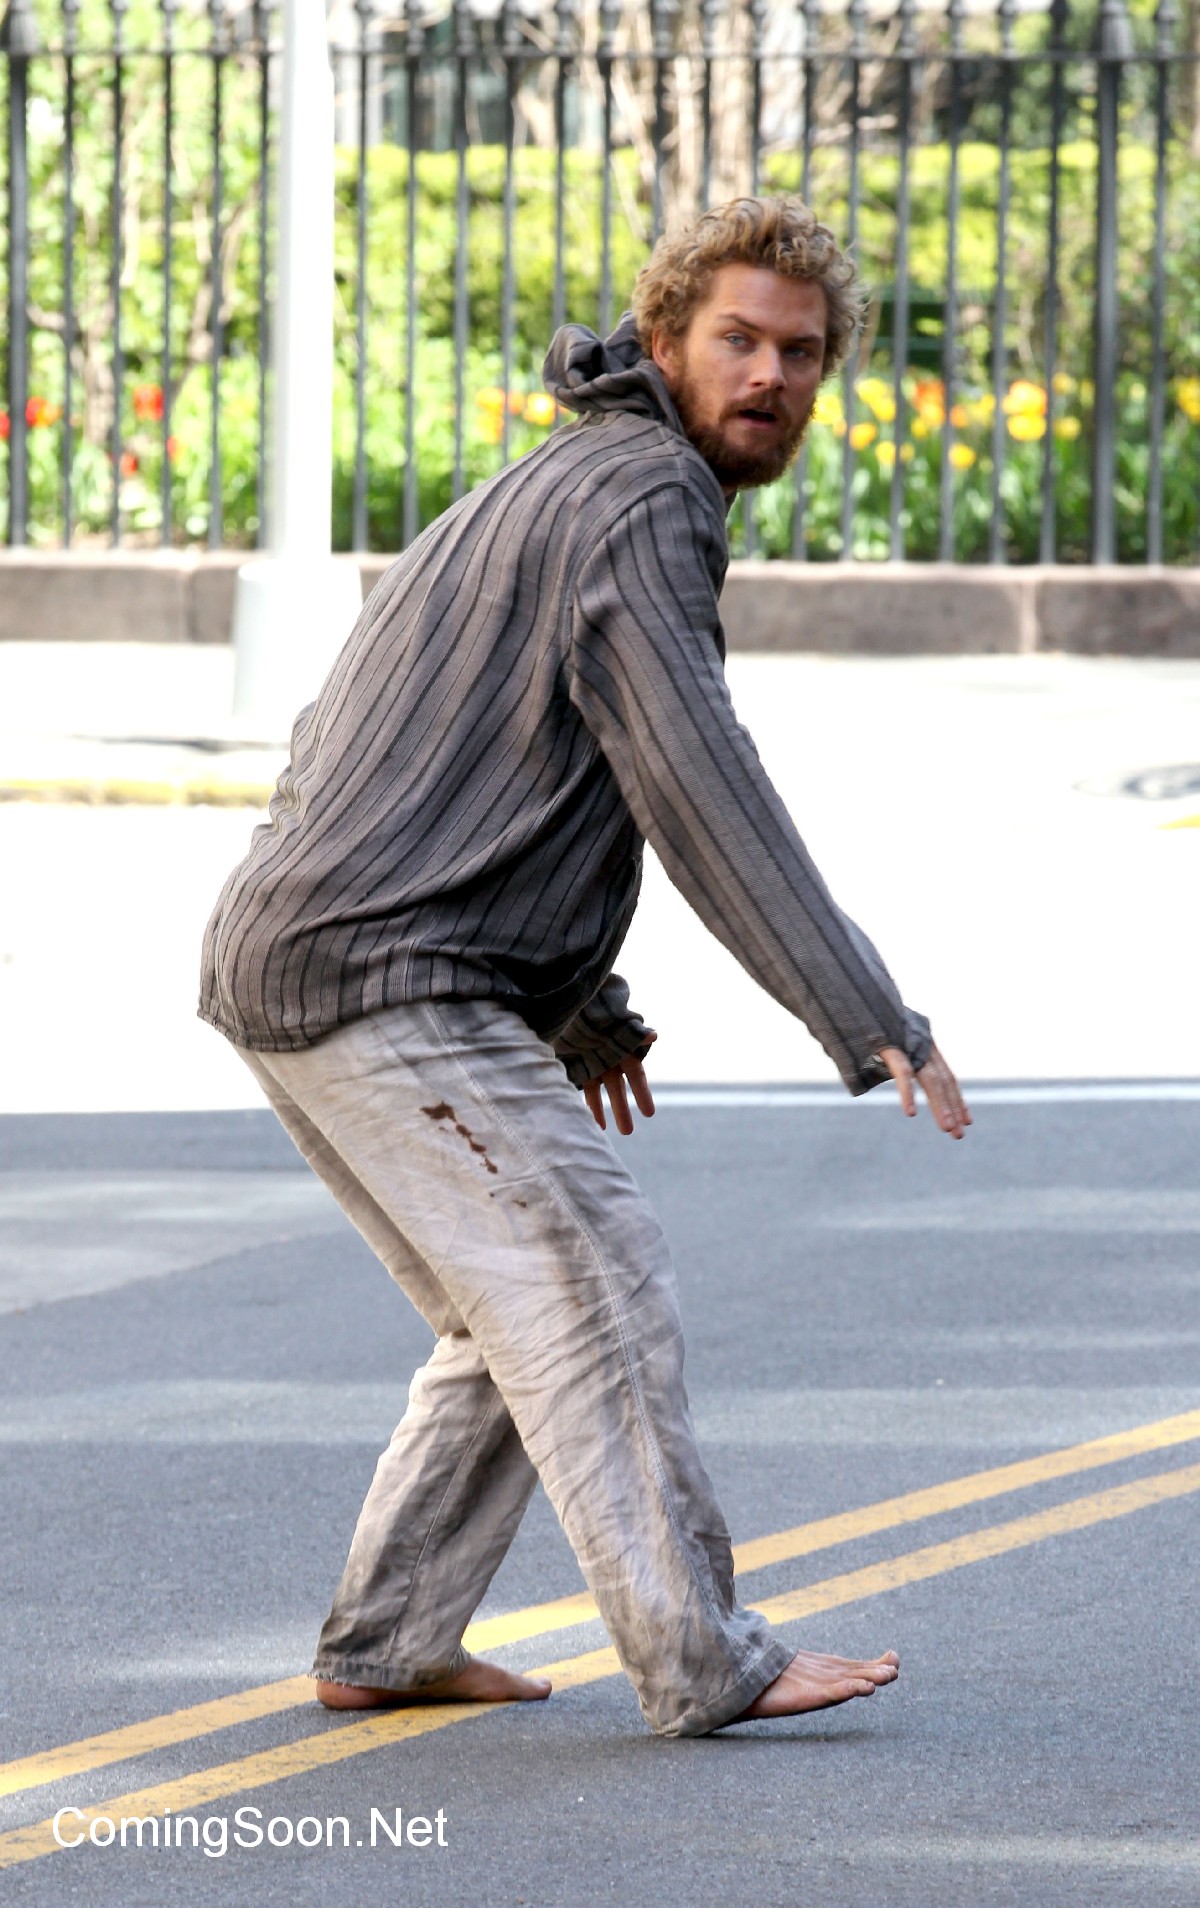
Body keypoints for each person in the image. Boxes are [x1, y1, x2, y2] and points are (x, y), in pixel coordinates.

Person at [199, 195, 971, 1740]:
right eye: (738, 340)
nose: (771, 376)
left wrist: (581, 1009)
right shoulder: (646, 497)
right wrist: (862, 1008)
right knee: (595, 1279)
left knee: (517, 1307)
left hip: (316, 956)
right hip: (388, 973)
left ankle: (392, 1637)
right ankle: (705, 1656)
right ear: (666, 339)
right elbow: (694, 775)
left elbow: (505, 752)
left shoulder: (571, 475)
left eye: (801, 353)